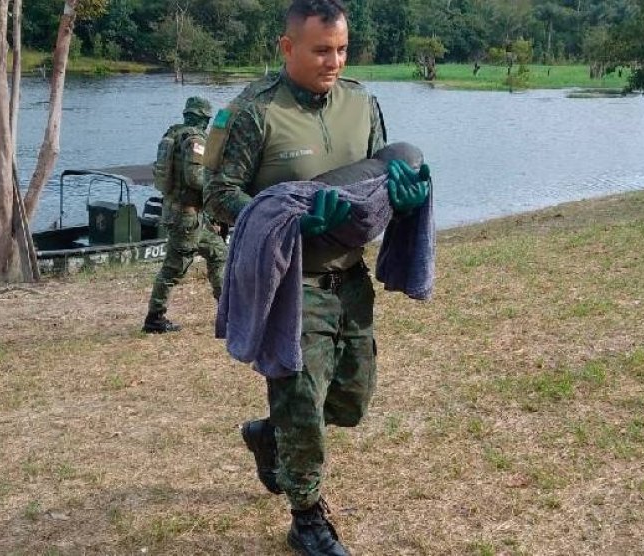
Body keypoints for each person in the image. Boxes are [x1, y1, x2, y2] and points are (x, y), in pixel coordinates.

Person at [203, 1, 431, 554]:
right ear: (287, 48)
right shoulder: (253, 112)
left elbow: (378, 175)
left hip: (350, 280)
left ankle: (270, 433)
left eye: (341, 49)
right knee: (304, 406)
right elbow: (216, 196)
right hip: (291, 286)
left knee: (351, 402)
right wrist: (286, 217)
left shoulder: (362, 102)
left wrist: (405, 195)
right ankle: (307, 519)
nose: (333, 61)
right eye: (320, 50)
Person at [142, 96, 228, 334]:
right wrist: (218, 184)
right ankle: (154, 318)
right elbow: (194, 178)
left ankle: (228, 312)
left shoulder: (172, 135)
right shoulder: (195, 139)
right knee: (173, 268)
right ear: (203, 118)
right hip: (188, 217)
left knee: (219, 254)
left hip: (179, 212)